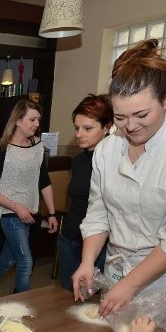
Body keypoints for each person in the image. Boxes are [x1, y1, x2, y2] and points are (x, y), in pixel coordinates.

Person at [72, 39, 166, 318]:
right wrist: (88, 261)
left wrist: (132, 283)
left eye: (142, 114)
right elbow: (98, 211)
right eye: (120, 117)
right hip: (118, 268)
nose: (130, 126)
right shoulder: (108, 148)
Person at [0, 99, 58, 302]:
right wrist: (17, 207)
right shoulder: (4, 149)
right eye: (32, 119)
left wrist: (52, 213)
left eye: (38, 119)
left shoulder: (38, 145)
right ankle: (22, 308)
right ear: (18, 120)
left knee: (6, 260)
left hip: (32, 214)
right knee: (25, 261)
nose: (37, 124)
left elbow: (43, 180)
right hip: (11, 214)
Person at [57, 94, 113, 291]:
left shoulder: (115, 161)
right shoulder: (79, 160)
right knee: (65, 297)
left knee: (92, 305)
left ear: (107, 127)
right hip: (69, 238)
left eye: (88, 128)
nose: (80, 134)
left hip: (97, 246)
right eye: (77, 128)